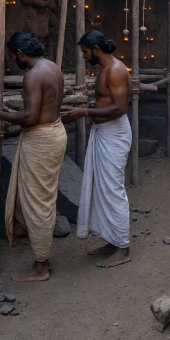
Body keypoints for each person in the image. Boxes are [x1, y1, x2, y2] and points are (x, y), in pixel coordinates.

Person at [0, 32, 67, 282]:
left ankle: (41, 266)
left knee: (38, 202)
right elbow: (42, 108)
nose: (13, 62)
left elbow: (31, 117)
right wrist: (10, 112)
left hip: (41, 138)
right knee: (43, 198)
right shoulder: (53, 67)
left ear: (20, 54)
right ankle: (43, 257)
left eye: (12, 57)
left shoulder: (32, 75)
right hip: (55, 131)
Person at [61, 31, 133, 268]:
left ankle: (123, 248)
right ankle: (112, 241)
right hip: (104, 133)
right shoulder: (105, 69)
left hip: (115, 133)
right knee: (102, 189)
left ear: (95, 49)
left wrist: (86, 112)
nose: (83, 56)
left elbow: (120, 108)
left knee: (112, 189)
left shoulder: (115, 70)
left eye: (84, 52)